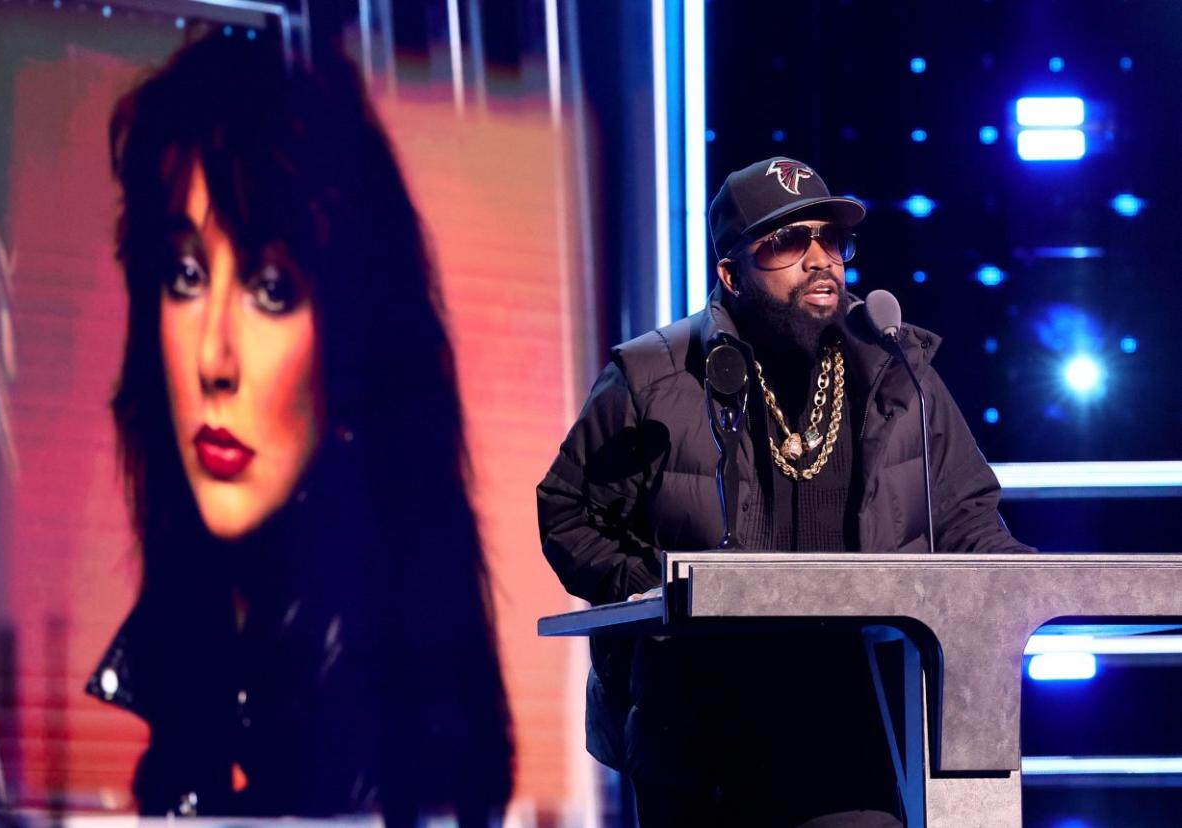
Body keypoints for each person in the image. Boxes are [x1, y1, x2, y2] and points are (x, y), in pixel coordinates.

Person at [86, 31, 513, 823]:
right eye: (184, 274)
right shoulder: (214, 618)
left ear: (354, 340)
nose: (214, 356)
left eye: (271, 287)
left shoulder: (381, 692)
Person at [537, 156, 1032, 826]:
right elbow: (568, 508)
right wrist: (651, 589)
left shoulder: (896, 375)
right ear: (731, 273)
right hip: (697, 731)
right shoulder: (654, 376)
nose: (820, 259)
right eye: (787, 243)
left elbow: (967, 514)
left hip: (856, 724)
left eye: (831, 240)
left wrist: (1024, 582)